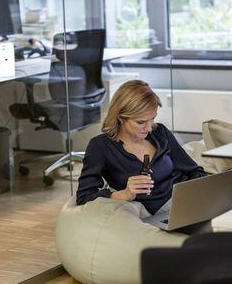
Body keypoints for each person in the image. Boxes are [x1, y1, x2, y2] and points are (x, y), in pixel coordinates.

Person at [76, 80, 206, 215]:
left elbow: (194, 171)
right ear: (121, 118)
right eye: (141, 122)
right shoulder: (100, 147)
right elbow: (84, 197)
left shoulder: (160, 132)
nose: (149, 128)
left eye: (153, 119)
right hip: (155, 214)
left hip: (185, 201)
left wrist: (199, 194)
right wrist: (124, 194)